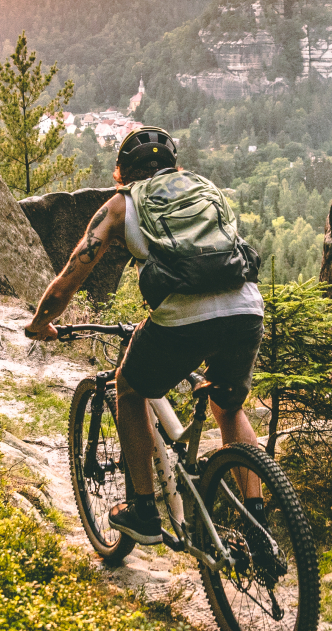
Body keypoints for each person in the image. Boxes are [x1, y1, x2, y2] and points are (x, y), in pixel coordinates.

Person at [23, 127, 267, 546]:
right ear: (176, 166)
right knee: (228, 406)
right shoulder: (205, 189)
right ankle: (258, 521)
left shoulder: (120, 205)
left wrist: (40, 322)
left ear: (121, 174)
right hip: (246, 307)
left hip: (182, 316)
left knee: (130, 387)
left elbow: (70, 276)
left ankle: (143, 510)